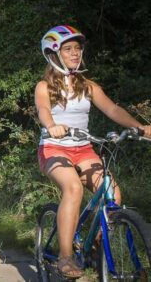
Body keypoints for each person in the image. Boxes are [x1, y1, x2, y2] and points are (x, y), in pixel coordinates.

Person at [35, 25, 151, 279]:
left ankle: (99, 244)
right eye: (68, 49)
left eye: (78, 48)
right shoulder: (44, 86)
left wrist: (140, 127)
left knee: (113, 192)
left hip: (83, 148)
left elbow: (112, 110)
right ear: (54, 54)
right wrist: (52, 125)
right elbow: (43, 110)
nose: (75, 53)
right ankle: (65, 256)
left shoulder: (88, 86)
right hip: (54, 149)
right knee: (73, 188)